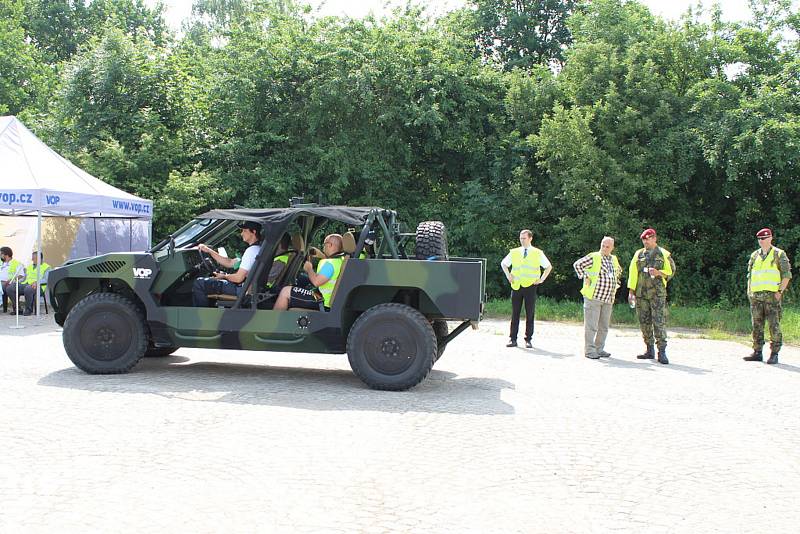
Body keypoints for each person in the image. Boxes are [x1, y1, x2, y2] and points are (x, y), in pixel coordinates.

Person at [627, 228, 675, 364]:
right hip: (641, 294)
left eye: (648, 238)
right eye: (644, 239)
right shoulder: (638, 254)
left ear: (655, 238)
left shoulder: (663, 254)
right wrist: (631, 291)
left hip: (657, 295)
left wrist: (659, 273)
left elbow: (671, 271)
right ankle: (649, 350)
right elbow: (633, 273)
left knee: (658, 322)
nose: (646, 241)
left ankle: (662, 352)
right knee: (644, 322)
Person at [744, 228, 792, 365]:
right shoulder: (754, 255)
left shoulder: (779, 254)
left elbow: (787, 275)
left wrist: (779, 292)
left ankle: (774, 353)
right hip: (756, 297)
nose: (761, 241)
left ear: (770, 238)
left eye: (764, 239)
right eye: (759, 239)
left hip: (772, 297)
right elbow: (750, 276)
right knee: (756, 325)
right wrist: (750, 292)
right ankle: (757, 352)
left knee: (774, 326)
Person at [500, 229, 552, 348]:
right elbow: (504, 263)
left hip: (530, 286)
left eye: (524, 238)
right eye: (521, 238)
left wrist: (542, 279)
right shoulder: (514, 252)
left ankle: (528, 339)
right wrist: (508, 276)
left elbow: (548, 266)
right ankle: (512, 339)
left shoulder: (537, 252)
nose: (522, 240)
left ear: (530, 238)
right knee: (515, 314)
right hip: (516, 286)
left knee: (530, 314)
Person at [192, 221, 262, 307]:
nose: (241, 234)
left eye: (244, 231)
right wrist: (209, 251)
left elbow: (238, 278)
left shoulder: (251, 251)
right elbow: (230, 262)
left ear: (253, 232)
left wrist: (224, 276)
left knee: (199, 283)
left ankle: (201, 316)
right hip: (247, 288)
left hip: (242, 290)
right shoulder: (258, 249)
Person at [573, 237, 623, 359]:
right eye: (603, 246)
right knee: (591, 326)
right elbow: (577, 264)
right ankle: (589, 351)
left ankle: (599, 349)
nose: (605, 248)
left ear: (612, 248)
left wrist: (616, 281)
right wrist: (585, 276)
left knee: (604, 326)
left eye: (607, 247)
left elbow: (618, 271)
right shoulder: (594, 256)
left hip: (608, 298)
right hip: (594, 297)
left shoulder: (614, 259)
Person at [274, 234, 343, 311]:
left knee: (285, 291)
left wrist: (309, 269)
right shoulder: (340, 261)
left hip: (321, 301)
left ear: (330, 245)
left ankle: (272, 320)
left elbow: (316, 282)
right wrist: (322, 255)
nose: (323, 247)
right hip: (326, 300)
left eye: (324, 244)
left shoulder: (329, 265)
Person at [6, 251, 51, 316]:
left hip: (38, 287)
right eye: (32, 258)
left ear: (40, 259)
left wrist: (37, 282)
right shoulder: (29, 267)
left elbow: (46, 279)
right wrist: (16, 281)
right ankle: (18, 309)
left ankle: (28, 310)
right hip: (26, 284)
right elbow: (24, 278)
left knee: (28, 288)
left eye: (34, 258)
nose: (32, 260)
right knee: (10, 288)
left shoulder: (47, 267)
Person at [1, 247, 24, 314]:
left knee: (7, 287)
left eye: (1, 254)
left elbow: (21, 275)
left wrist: (12, 280)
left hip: (9, 283)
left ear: (6, 255)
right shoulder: (1, 263)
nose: (0, 256)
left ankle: (17, 308)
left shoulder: (16, 263)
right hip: (1, 283)